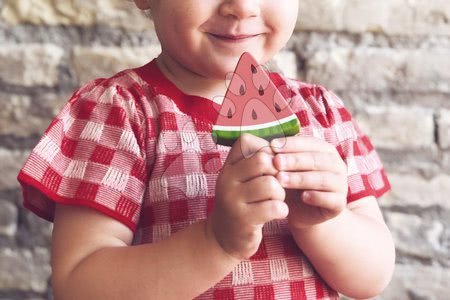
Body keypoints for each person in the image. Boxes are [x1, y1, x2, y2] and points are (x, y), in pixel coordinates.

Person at [17, 0, 396, 299]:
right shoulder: (118, 112)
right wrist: (215, 241)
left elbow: (371, 277)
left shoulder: (321, 112)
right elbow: (80, 286)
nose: (242, 6)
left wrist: (323, 223)